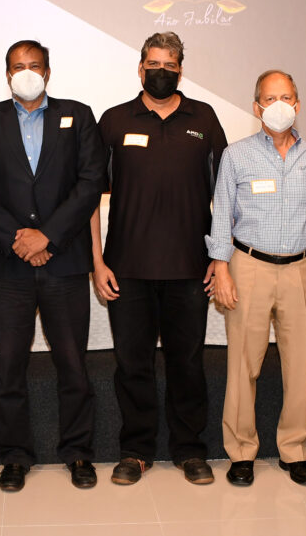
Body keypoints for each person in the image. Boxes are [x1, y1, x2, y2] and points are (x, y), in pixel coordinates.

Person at [0, 40, 106, 491]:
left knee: (72, 364)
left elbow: (90, 182)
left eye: (34, 65)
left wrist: (49, 236)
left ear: (48, 71)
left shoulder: (78, 115)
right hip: (9, 266)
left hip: (64, 262)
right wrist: (17, 239)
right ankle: (15, 455)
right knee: (9, 366)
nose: (26, 72)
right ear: (7, 74)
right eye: (18, 67)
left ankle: (78, 452)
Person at [91, 32, 227, 486]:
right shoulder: (113, 121)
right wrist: (97, 261)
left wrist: (219, 257)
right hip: (126, 269)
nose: (161, 72)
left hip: (191, 267)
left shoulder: (204, 119)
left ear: (181, 70)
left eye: (169, 65)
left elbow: (225, 197)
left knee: (187, 363)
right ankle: (136, 450)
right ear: (140, 68)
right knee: (132, 364)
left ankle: (189, 450)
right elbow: (89, 197)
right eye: (153, 64)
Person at [208, 70, 306, 487]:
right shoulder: (237, 155)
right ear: (256, 107)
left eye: (286, 97)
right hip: (248, 267)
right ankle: (241, 451)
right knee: (243, 366)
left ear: (298, 105)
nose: (278, 104)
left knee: (299, 366)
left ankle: (294, 451)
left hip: (303, 267)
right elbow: (220, 217)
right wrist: (221, 268)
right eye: (270, 98)